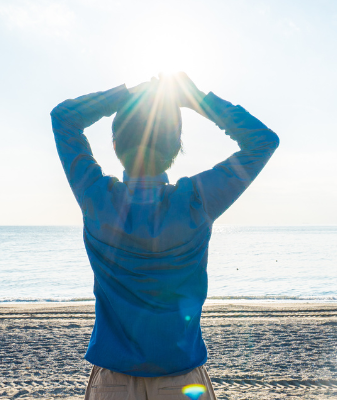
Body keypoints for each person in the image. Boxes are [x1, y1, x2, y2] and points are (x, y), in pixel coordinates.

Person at [50, 73, 279, 400]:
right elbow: (263, 140)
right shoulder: (196, 201)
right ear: (175, 148)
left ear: (115, 146)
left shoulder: (98, 199)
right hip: (183, 383)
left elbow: (64, 118)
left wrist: (127, 94)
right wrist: (198, 99)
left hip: (113, 383)